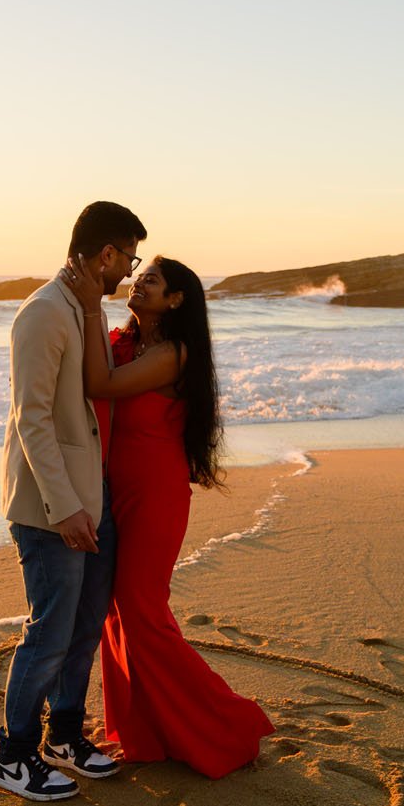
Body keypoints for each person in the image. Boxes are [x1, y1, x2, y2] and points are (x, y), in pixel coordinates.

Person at [64, 254, 273, 778]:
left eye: (150, 280)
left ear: (175, 299)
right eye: (139, 277)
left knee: (142, 611)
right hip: (113, 489)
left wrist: (91, 306)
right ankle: (142, 732)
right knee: (116, 610)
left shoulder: (174, 354)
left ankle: (228, 726)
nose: (138, 284)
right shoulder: (125, 342)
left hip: (156, 494)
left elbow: (101, 385)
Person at [0, 201, 146, 801]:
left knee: (83, 626)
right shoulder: (42, 314)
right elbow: (31, 421)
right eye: (128, 258)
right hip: (50, 507)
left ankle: (62, 736)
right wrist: (66, 508)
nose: (130, 271)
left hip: (89, 494)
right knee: (49, 632)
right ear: (105, 253)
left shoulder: (82, 306)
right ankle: (12, 756)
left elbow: (93, 391)